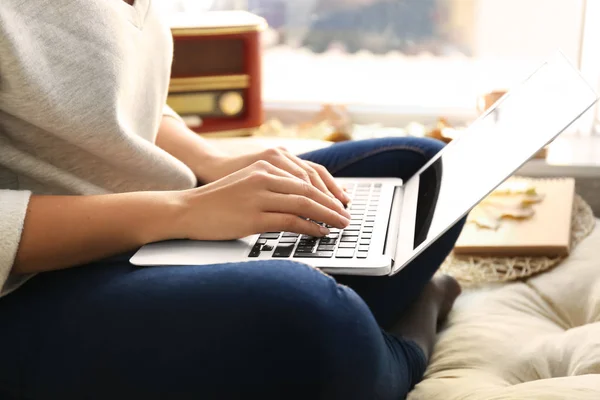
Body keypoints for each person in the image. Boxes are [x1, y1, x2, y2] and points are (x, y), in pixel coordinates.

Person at [0, 1, 464, 399]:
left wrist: (215, 163)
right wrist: (184, 212)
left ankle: (327, 337)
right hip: (36, 286)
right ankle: (409, 330)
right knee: (309, 309)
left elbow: (114, 104)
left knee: (419, 170)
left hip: (151, 226)